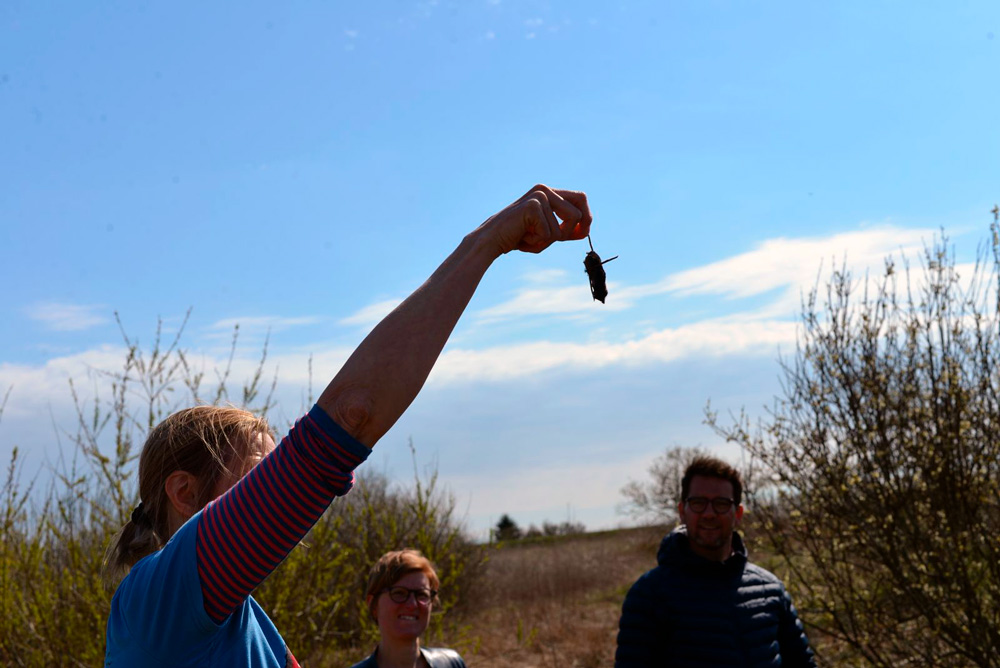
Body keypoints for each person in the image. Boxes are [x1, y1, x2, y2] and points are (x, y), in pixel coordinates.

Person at [102, 184, 592, 668]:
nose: (280, 486)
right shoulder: (157, 603)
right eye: (259, 472)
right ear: (184, 491)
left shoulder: (234, 619)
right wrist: (485, 243)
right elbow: (352, 413)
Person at [614, 456, 816, 667]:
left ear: (738, 514)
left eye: (721, 503)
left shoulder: (770, 591)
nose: (709, 514)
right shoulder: (649, 595)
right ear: (682, 512)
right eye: (698, 503)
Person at [350, 550, 465, 668]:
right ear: (373, 605)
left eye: (421, 594)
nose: (412, 604)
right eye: (399, 593)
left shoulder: (451, 663)